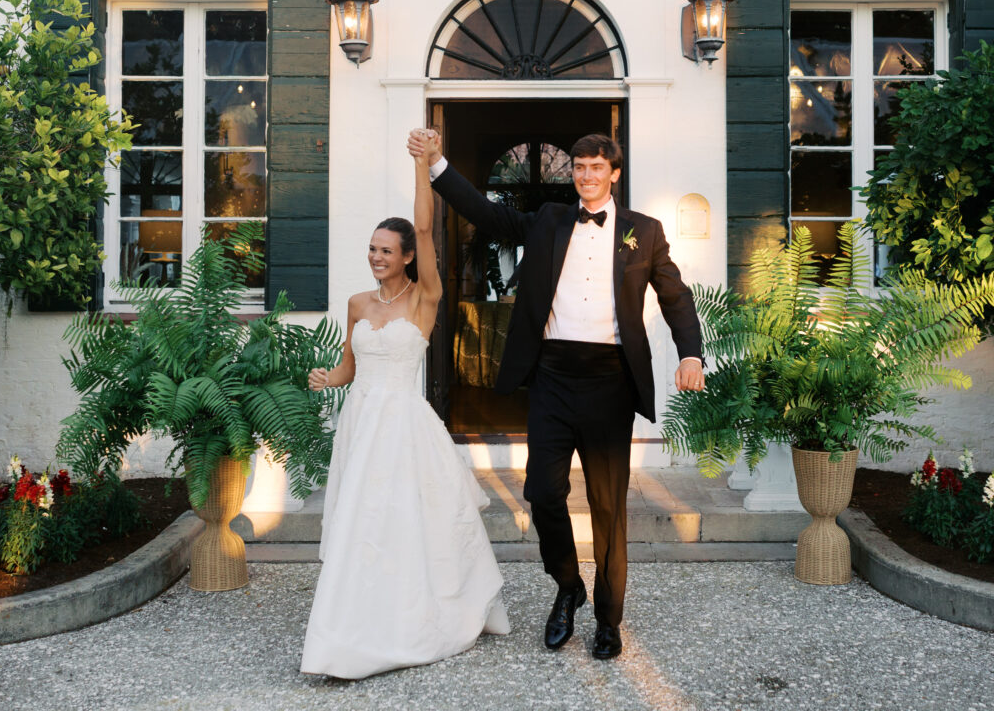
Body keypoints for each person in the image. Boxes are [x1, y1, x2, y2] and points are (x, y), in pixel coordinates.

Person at [407, 130, 705, 660]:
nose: (587, 176)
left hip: (611, 380)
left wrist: (690, 354)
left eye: (597, 167)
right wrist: (436, 164)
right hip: (552, 376)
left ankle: (609, 618)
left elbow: (676, 296)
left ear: (614, 173)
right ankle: (568, 586)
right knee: (543, 492)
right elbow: (487, 213)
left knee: (609, 506)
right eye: (580, 168)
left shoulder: (646, 232)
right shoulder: (549, 220)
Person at [300, 144, 510, 680]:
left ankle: (410, 617)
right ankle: (350, 625)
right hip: (361, 423)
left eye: (387, 250)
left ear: (407, 256)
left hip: (402, 427)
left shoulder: (425, 299)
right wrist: (328, 378)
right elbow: (349, 367)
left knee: (403, 520)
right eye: (372, 248)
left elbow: (424, 227)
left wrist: (423, 166)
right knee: (359, 523)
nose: (376, 257)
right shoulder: (356, 305)